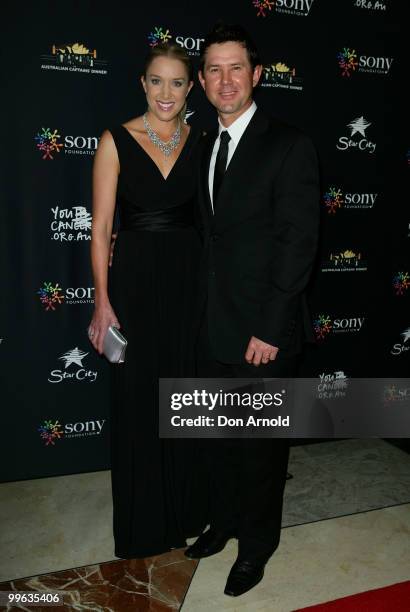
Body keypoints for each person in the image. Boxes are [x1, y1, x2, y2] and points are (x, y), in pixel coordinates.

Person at [184, 24, 320, 597]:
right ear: (201, 81)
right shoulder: (199, 143)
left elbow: (298, 242)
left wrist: (270, 328)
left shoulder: (288, 143)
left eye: (235, 67)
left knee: (261, 450)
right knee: (217, 438)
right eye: (213, 69)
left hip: (262, 331)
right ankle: (226, 521)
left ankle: (257, 546)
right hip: (212, 325)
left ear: (256, 74)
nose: (225, 80)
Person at [88, 43, 207, 558]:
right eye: (156, 81)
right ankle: (143, 525)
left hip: (191, 284)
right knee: (140, 401)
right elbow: (100, 231)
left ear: (191, 87)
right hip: (134, 285)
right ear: (142, 84)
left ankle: (189, 511)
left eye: (177, 82)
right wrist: (102, 301)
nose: (166, 93)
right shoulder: (116, 140)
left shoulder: (203, 141)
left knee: (184, 394)